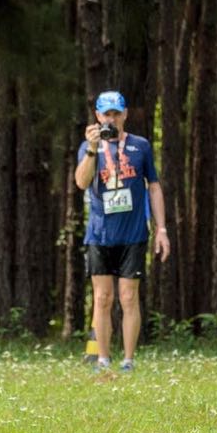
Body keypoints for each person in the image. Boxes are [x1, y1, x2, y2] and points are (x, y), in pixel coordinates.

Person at [75, 90, 171, 372]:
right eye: (107, 114)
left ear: (125, 114)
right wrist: (92, 149)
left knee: (129, 297)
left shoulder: (140, 146)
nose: (111, 119)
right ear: (97, 116)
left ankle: (128, 360)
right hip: (100, 234)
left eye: (116, 113)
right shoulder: (88, 147)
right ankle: (103, 359)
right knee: (102, 298)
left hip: (133, 233)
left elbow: (154, 186)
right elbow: (81, 182)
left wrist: (161, 229)